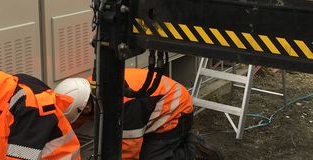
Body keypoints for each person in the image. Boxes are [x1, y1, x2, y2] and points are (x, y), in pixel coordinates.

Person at [55, 68, 223, 160]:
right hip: (153, 107)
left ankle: (194, 150)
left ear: (86, 108)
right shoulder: (85, 89)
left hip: (176, 110)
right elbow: (71, 122)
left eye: (82, 117)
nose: (82, 122)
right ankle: (175, 143)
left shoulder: (125, 107)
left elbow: (129, 152)